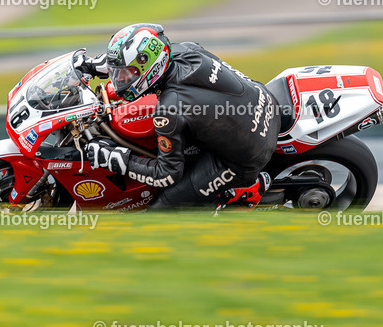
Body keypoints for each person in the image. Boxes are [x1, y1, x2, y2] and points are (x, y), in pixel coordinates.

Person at [79, 23, 279, 210]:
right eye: (116, 72)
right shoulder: (186, 49)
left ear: (149, 68)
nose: (120, 80)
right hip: (264, 101)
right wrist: (91, 65)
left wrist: (115, 159)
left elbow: (166, 175)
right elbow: (146, 58)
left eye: (126, 73)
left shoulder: (169, 110)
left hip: (246, 157)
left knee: (162, 211)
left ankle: (240, 192)